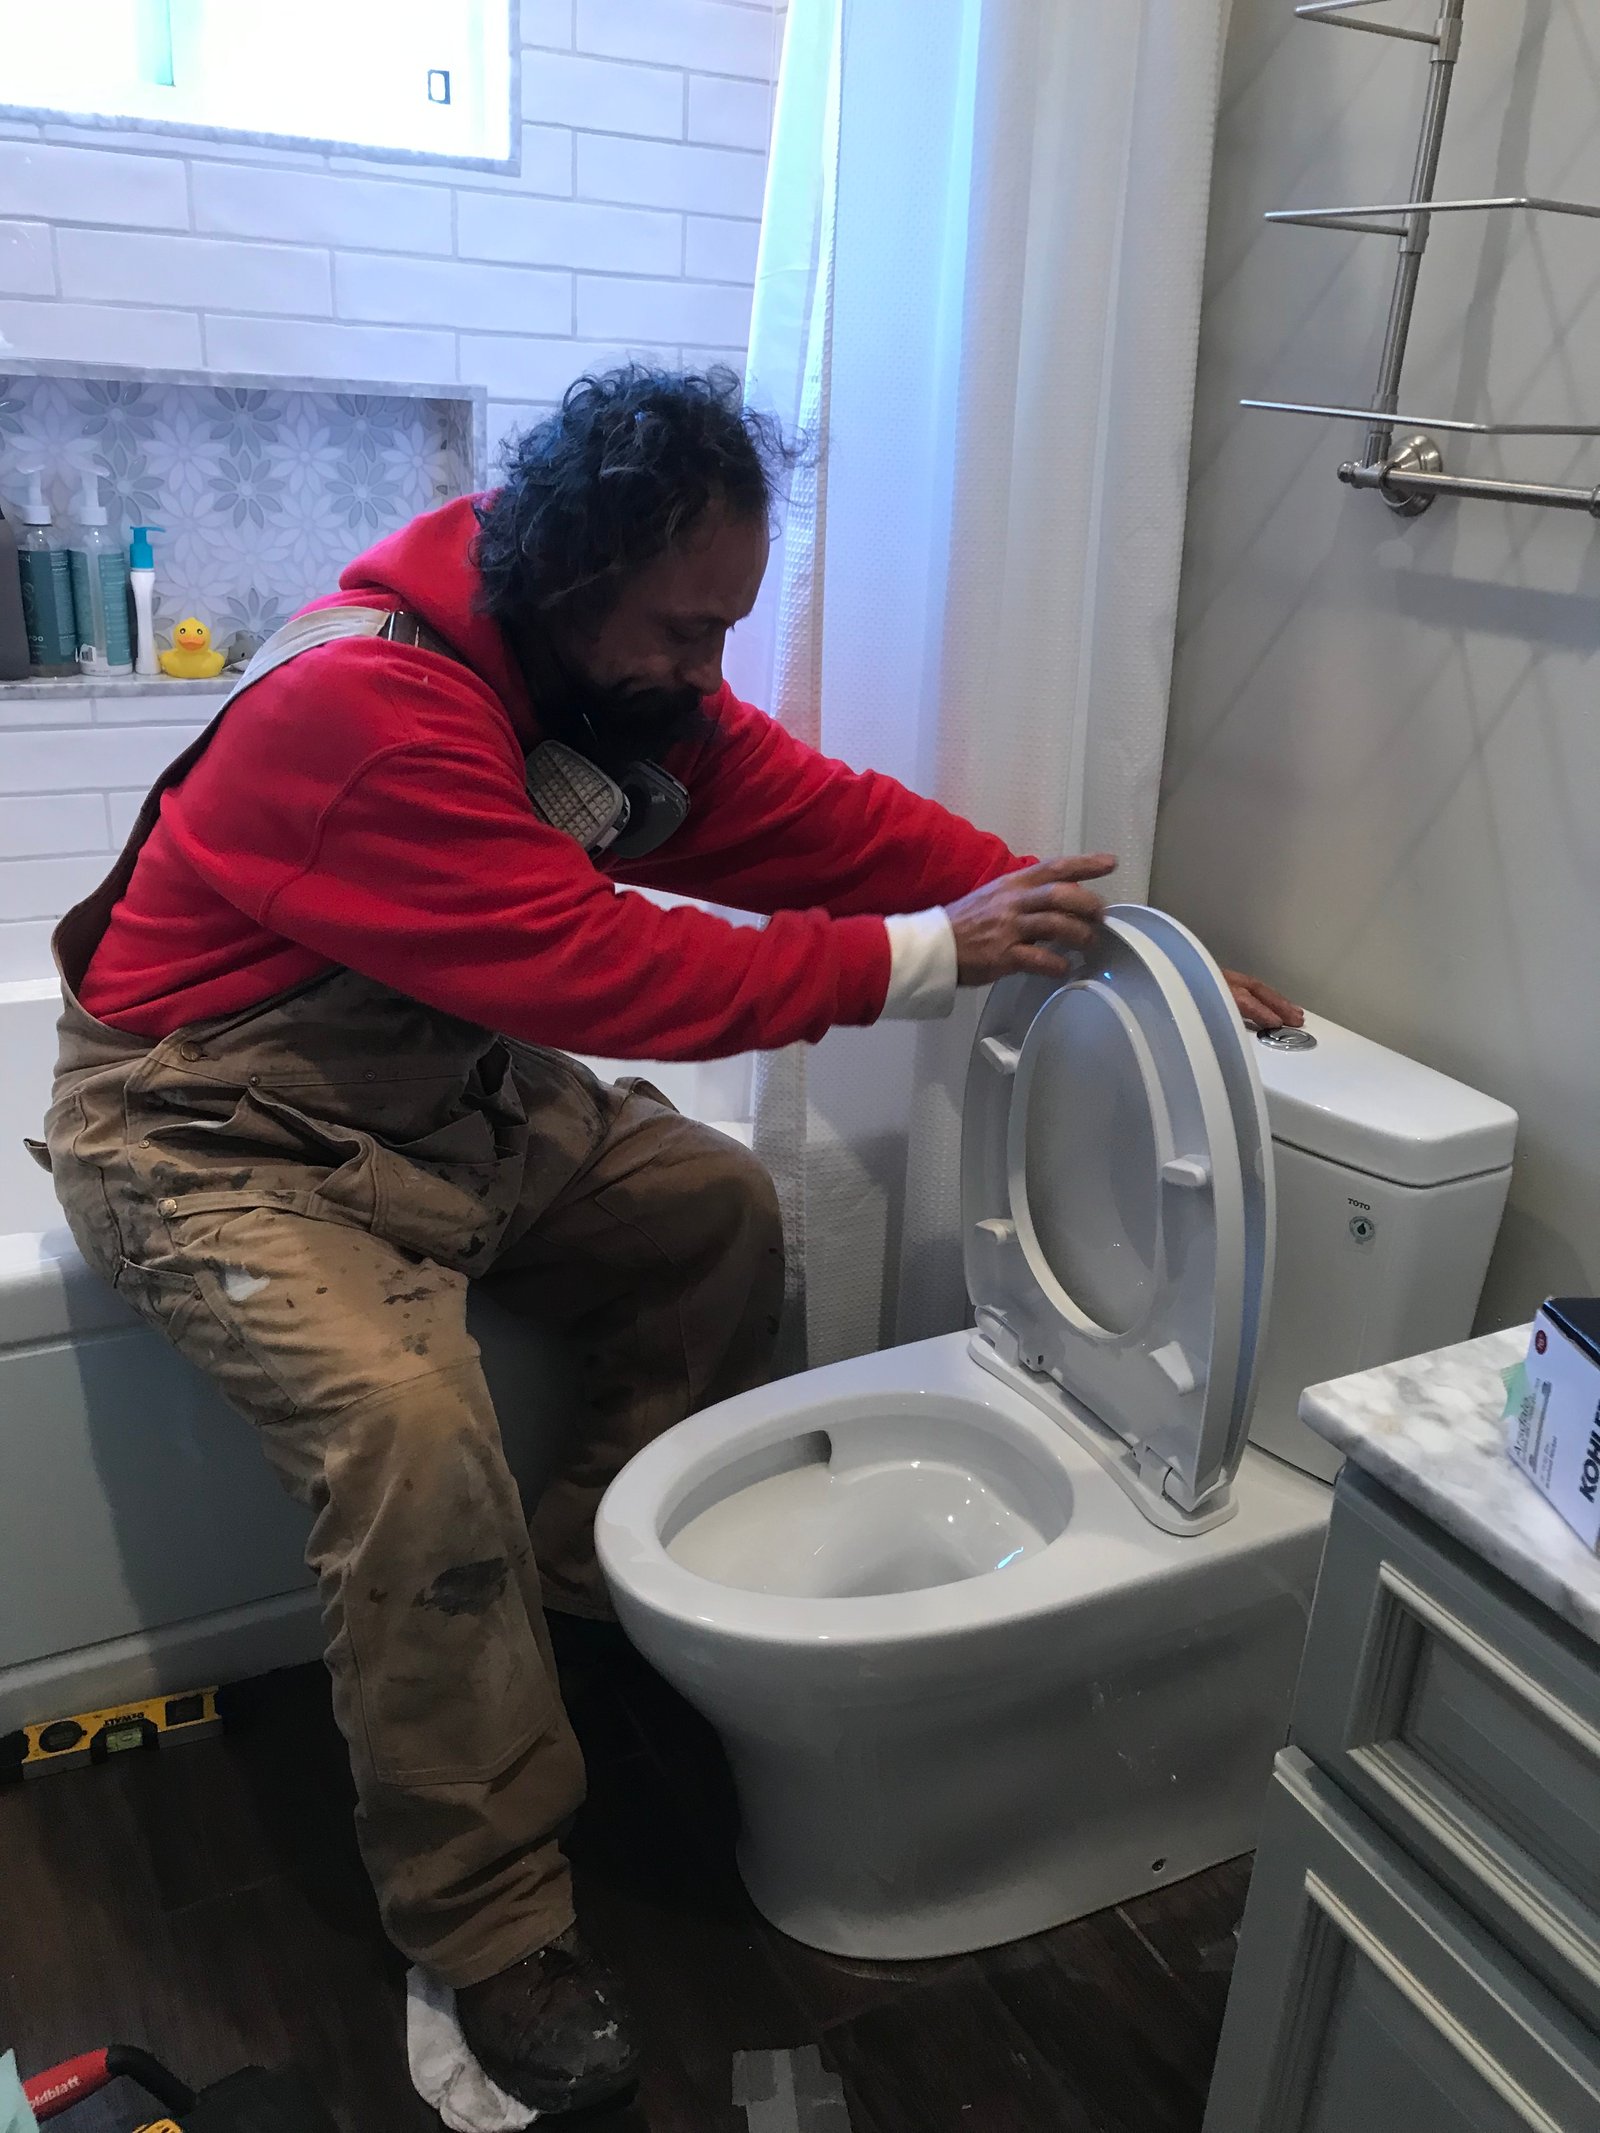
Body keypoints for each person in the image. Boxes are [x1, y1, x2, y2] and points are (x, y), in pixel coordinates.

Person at [39, 366, 1300, 2116]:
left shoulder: (597, 681)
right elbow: (617, 969)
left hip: (429, 1087)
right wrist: (929, 958)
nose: (706, 674)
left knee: (712, 1214)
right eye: (680, 629)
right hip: (212, 1127)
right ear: (562, 579)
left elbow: (823, 824)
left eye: (726, 623)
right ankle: (485, 1927)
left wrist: (1100, 936)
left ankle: (553, 1627)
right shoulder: (366, 718)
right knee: (411, 1441)